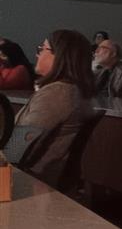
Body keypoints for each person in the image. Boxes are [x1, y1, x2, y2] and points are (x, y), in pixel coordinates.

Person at [14, 30, 95, 188]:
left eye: (42, 48)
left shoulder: (58, 93)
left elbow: (17, 148)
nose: (38, 54)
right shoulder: (75, 91)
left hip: (28, 184)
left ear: (60, 56)